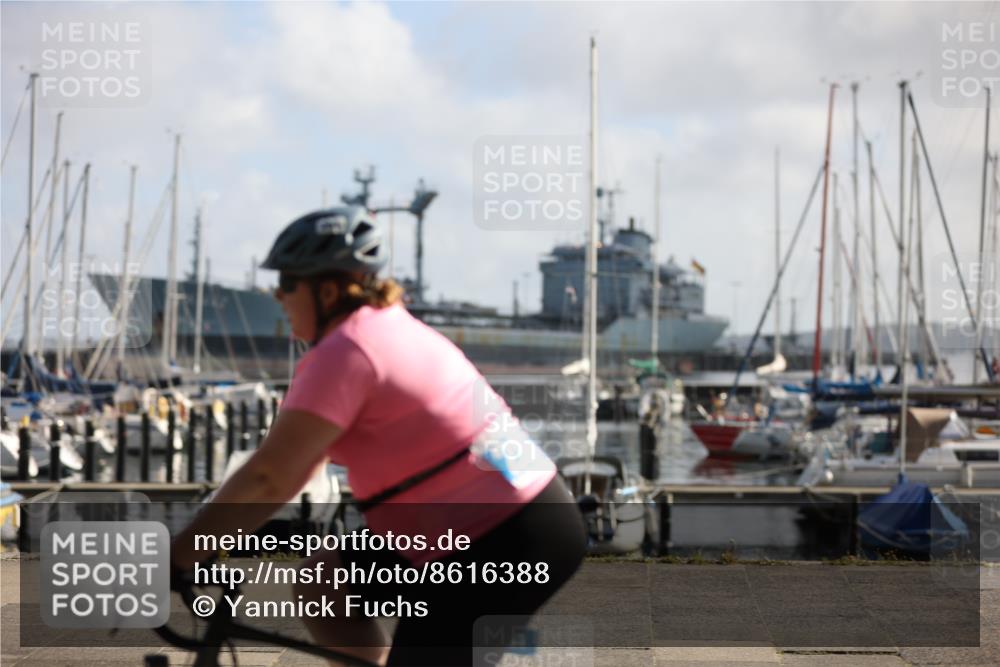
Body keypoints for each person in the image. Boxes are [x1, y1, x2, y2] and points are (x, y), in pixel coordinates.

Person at [170, 205, 587, 666]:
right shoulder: (385, 327)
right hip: (507, 516)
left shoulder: (347, 351)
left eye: (287, 282)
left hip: (504, 536)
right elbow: (297, 466)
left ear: (327, 290)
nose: (278, 295)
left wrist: (179, 555)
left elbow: (270, 477)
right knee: (325, 583)